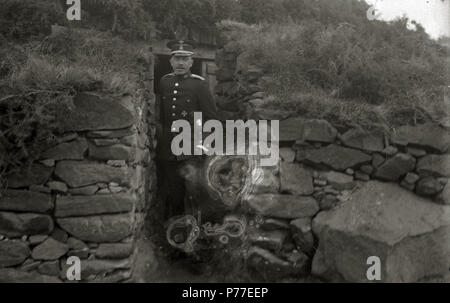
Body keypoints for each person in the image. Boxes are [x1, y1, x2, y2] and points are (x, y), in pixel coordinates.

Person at [155, 39, 218, 225]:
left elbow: (210, 118)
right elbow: (163, 117)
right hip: (168, 149)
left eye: (185, 59)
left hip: (191, 149)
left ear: (191, 62)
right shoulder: (164, 82)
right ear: (171, 61)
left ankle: (197, 232)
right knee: (173, 192)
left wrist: (203, 146)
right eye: (177, 58)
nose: (180, 63)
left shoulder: (199, 85)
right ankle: (173, 232)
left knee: (193, 192)